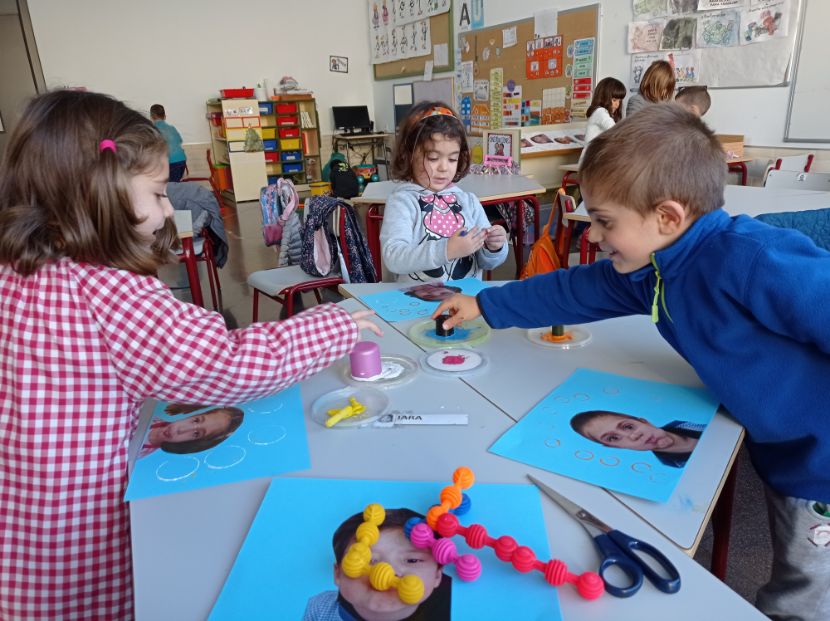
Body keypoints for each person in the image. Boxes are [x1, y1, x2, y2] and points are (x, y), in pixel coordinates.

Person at [432, 103, 830, 621]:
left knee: (803, 594)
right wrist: (486, 304)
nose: (592, 236)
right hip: (776, 446)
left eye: (604, 222)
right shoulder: (658, 266)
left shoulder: (749, 258)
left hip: (819, 462)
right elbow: (579, 289)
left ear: (667, 216)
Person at [0, 89, 381, 620]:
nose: (166, 209)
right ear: (98, 191)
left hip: (23, 518)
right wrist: (329, 326)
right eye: (158, 194)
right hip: (79, 527)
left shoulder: (18, 271)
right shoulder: (109, 292)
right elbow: (224, 364)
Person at [381, 101, 508, 283]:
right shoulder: (403, 201)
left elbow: (486, 262)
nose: (444, 168)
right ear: (409, 155)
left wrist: (494, 247)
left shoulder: (468, 201)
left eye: (452, 159)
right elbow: (393, 257)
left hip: (466, 297)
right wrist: (447, 250)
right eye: (433, 158)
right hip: (418, 298)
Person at [303, 508, 451, 621]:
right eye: (368, 560)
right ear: (337, 574)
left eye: (411, 560)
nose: (387, 570)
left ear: (437, 575)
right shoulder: (319, 607)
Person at [570, 410, 705, 468]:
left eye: (628, 427)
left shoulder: (686, 422)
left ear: (644, 422)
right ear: (616, 447)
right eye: (613, 438)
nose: (633, 436)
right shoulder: (673, 465)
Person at [137, 404, 245, 458]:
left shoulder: (140, 454)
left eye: (196, 434)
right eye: (196, 420)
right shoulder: (146, 414)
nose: (181, 430)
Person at [578, 77, 626, 165]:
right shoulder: (600, 112)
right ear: (603, 97)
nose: (617, 104)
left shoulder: (605, 114)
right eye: (614, 100)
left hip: (597, 159)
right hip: (591, 162)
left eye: (619, 101)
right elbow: (615, 130)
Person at [150, 103, 187, 182]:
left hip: (169, 163)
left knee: (169, 187)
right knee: (175, 185)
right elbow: (179, 141)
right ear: (165, 116)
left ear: (151, 117)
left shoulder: (152, 130)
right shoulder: (172, 128)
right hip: (181, 161)